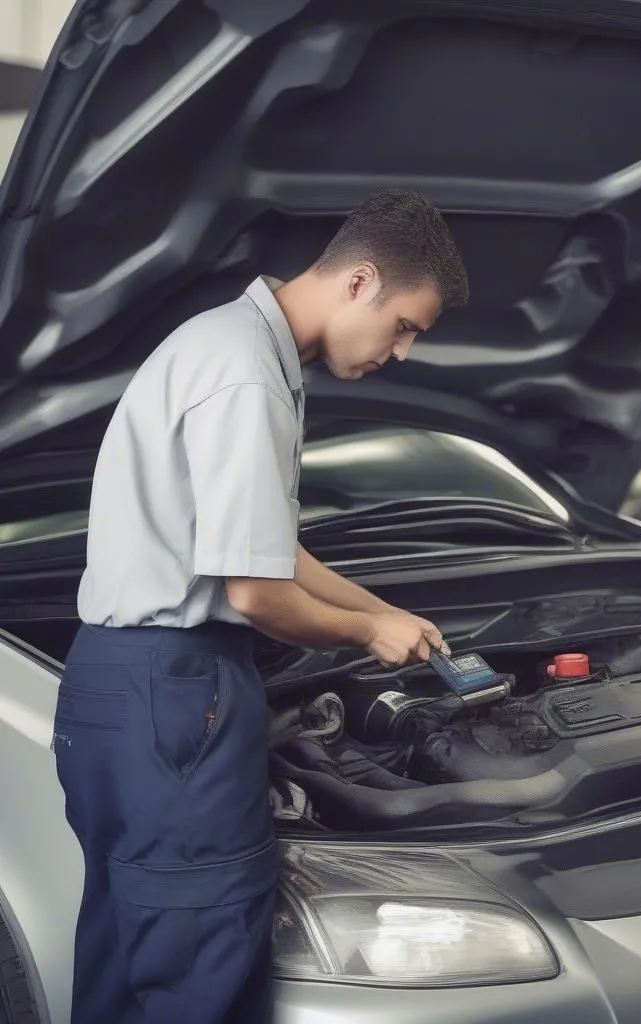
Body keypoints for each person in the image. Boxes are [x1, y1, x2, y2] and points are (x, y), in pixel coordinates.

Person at [51, 190, 470, 1023]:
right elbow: (254, 592)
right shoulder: (245, 372)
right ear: (359, 282)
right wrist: (363, 631)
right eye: (405, 326)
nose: (404, 352)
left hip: (124, 685)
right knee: (196, 965)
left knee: (130, 950)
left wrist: (384, 609)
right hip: (174, 688)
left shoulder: (237, 348)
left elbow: (276, 550)